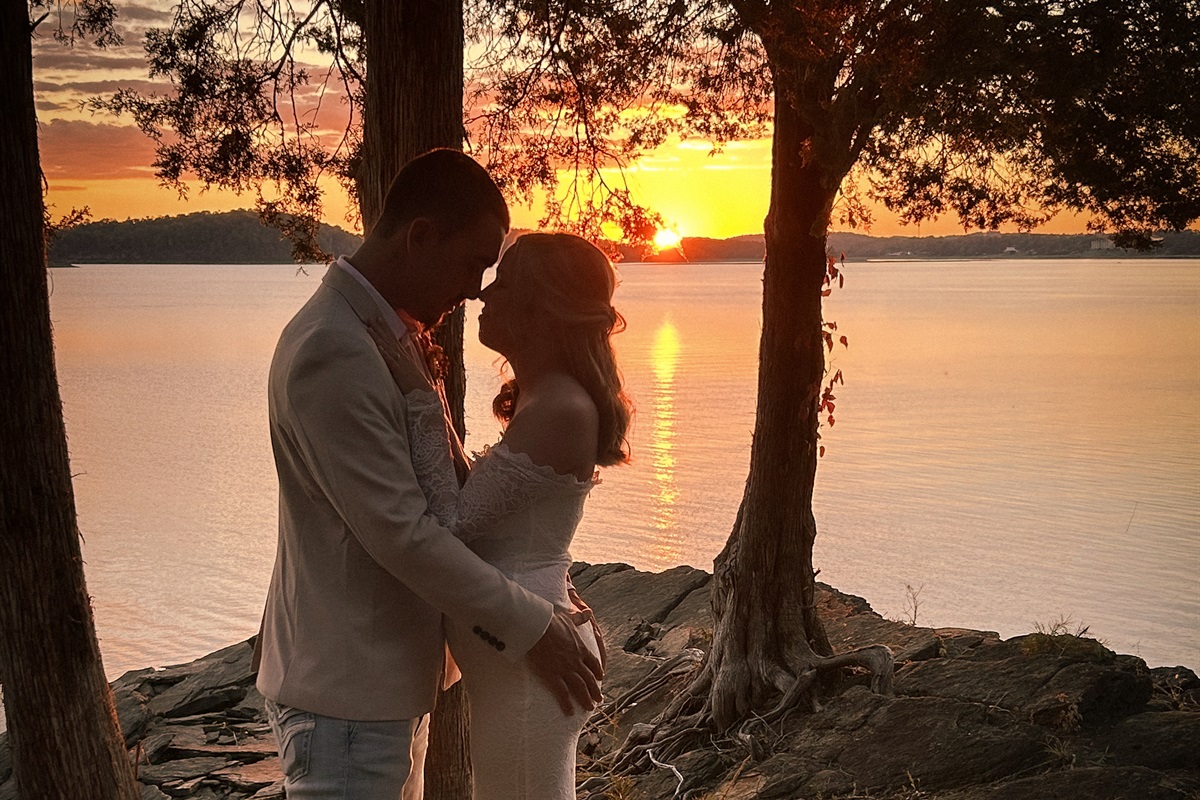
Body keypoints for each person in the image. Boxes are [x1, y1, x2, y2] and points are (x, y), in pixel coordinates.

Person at [254, 150, 604, 800]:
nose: (477, 287)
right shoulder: (335, 349)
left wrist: (551, 579)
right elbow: (405, 536)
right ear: (420, 236)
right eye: (474, 260)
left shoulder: (382, 339)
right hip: (349, 689)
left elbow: (468, 499)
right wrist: (537, 625)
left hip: (383, 685)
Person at [370, 232, 632, 799]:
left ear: (544, 306)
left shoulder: (561, 406)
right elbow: (500, 509)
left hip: (531, 662)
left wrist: (419, 396)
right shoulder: (545, 398)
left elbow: (453, 523)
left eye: (505, 283)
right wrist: (433, 393)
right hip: (520, 652)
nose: (485, 294)